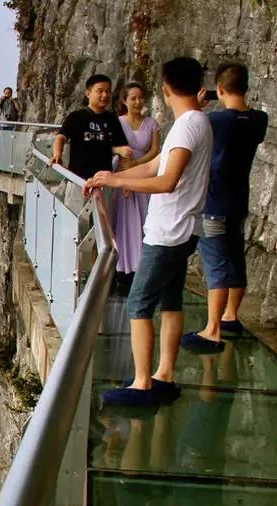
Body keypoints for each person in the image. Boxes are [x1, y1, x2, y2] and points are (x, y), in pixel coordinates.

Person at [83, 57, 213, 407]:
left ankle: (142, 384)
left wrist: (120, 180)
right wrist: (114, 178)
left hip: (168, 231)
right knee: (170, 301)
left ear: (166, 88)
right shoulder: (195, 122)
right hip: (184, 229)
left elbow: (167, 180)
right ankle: (164, 375)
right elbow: (156, 164)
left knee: (139, 304)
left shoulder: (187, 126)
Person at [180, 63, 268, 353]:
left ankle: (212, 329)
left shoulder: (215, 121)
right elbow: (242, 115)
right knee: (235, 258)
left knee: (215, 264)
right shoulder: (259, 120)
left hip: (213, 202)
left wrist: (199, 103)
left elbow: (187, 124)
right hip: (238, 202)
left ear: (219, 89)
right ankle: (231, 316)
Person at [112, 83, 161, 292]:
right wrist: (121, 153)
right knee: (123, 221)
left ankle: (141, 266)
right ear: (124, 100)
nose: (137, 102)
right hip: (122, 172)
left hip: (144, 172)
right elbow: (111, 145)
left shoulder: (152, 124)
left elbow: (155, 150)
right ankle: (122, 267)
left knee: (143, 219)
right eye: (133, 98)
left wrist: (138, 164)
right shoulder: (118, 123)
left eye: (140, 98)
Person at [49, 74, 132, 181]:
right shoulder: (76, 116)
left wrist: (125, 177)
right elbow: (61, 137)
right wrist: (57, 154)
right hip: (77, 180)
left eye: (108, 91)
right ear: (88, 93)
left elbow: (122, 148)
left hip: (103, 180)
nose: (105, 95)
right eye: (100, 91)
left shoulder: (112, 119)